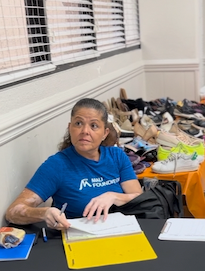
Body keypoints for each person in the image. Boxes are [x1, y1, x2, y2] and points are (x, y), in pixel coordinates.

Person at [6, 98, 142, 229]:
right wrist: (44, 213)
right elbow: (13, 212)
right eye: (78, 123)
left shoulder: (116, 156)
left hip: (121, 232)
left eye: (94, 126)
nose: (84, 131)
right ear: (70, 128)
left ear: (105, 133)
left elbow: (139, 198)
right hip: (79, 239)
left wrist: (113, 197)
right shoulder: (57, 165)